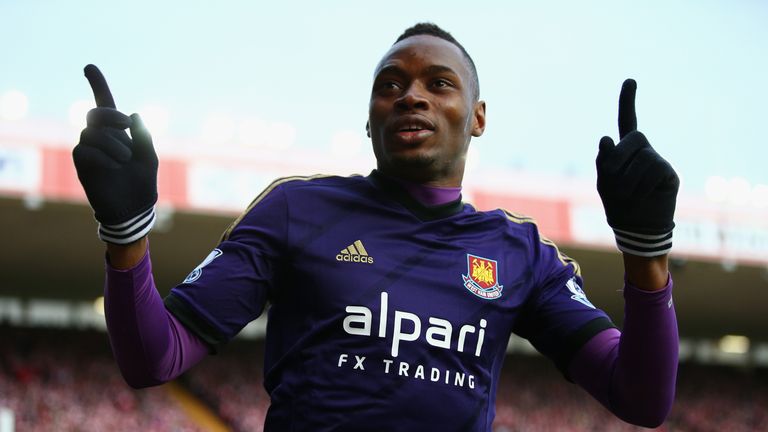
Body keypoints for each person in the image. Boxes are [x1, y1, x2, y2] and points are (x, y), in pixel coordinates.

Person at [73, 23, 679, 431]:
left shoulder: (519, 252)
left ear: (477, 117)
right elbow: (154, 358)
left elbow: (643, 398)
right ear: (369, 120)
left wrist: (645, 252)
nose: (410, 95)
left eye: (438, 83)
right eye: (390, 85)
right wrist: (126, 233)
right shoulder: (296, 211)